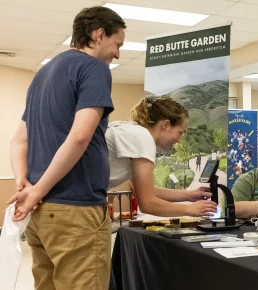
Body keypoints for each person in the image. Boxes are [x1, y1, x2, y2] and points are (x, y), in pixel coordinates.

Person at [8, 7, 125, 290]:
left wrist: (24, 182)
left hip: (42, 215)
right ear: (98, 35)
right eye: (117, 44)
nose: (118, 54)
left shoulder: (43, 74)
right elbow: (79, 137)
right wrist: (36, 190)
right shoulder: (94, 68)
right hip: (76, 211)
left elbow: (18, 141)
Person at [106, 96, 217, 217]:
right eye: (180, 132)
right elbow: (147, 204)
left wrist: (189, 195)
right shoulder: (142, 138)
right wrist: (190, 209)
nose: (180, 140)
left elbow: (147, 191)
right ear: (165, 125)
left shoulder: (133, 132)